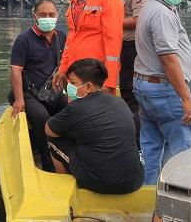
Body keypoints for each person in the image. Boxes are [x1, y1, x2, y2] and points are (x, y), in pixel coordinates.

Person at [134, 0, 191, 185]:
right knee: (186, 149)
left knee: (151, 148)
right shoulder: (161, 13)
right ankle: (184, 198)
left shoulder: (154, 8)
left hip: (146, 87)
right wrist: (186, 98)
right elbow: (169, 59)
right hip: (163, 90)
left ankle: (149, 193)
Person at [45, 58, 144, 194]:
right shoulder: (119, 102)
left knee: (54, 140)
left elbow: (49, 130)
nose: (69, 88)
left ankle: (67, 190)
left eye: (73, 83)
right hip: (133, 180)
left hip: (102, 182)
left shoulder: (76, 107)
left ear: (89, 87)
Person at [10, 0, 69, 172]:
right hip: (29, 92)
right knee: (41, 116)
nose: (47, 18)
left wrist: (70, 93)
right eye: (42, 14)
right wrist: (19, 99)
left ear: (57, 16)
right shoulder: (24, 39)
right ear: (34, 16)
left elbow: (65, 66)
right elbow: (15, 71)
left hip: (52, 91)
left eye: (51, 14)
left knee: (72, 109)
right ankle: (48, 163)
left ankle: (69, 155)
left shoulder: (61, 37)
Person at [53, 0, 123, 95]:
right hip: (75, 76)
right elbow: (71, 39)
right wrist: (63, 69)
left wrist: (109, 82)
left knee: (97, 116)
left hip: (96, 77)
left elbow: (113, 44)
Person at [116, 0, 152, 144]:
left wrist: (111, 21)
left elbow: (139, 20)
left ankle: (136, 145)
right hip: (128, 46)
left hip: (133, 47)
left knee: (131, 96)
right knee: (129, 94)